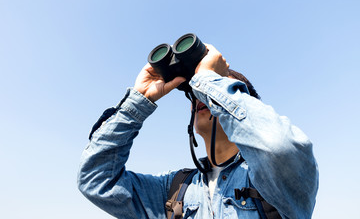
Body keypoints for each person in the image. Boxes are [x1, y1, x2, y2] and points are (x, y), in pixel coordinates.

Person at [77, 44, 319, 219]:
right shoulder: (175, 189)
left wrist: (210, 80)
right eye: (198, 94)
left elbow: (277, 146)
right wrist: (140, 100)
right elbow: (96, 180)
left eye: (221, 89)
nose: (202, 96)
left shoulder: (270, 181)